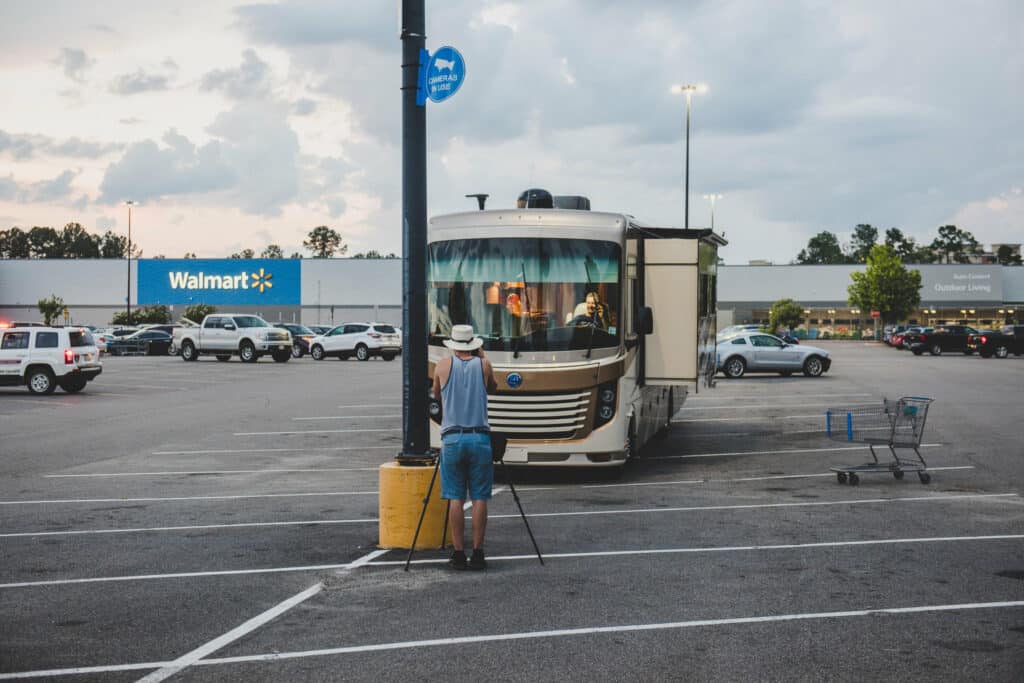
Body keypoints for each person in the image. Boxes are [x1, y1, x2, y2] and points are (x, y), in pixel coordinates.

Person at [432, 324, 498, 570]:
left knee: (455, 498)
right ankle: (478, 552)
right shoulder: (484, 365)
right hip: (479, 438)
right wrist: (482, 358)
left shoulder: (442, 365)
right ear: (474, 344)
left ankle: (459, 553)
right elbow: (494, 388)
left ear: (452, 345)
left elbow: (437, 395)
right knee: (480, 496)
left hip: (452, 438)